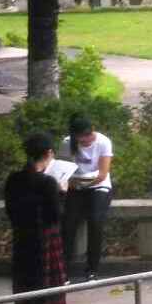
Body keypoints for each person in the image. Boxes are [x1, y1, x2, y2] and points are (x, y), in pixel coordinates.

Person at [4, 132, 68, 304]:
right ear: (49, 153)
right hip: (44, 243)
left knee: (24, 289)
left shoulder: (14, 179)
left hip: (22, 242)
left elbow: (11, 212)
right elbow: (55, 215)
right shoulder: (47, 182)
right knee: (45, 291)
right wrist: (62, 192)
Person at [58, 115, 114, 282]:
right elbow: (62, 169)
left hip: (98, 186)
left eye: (88, 137)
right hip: (75, 187)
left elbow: (102, 173)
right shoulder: (67, 143)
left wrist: (86, 181)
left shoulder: (103, 142)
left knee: (95, 221)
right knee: (68, 224)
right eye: (81, 138)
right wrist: (71, 182)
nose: (85, 141)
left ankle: (92, 269)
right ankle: (64, 269)